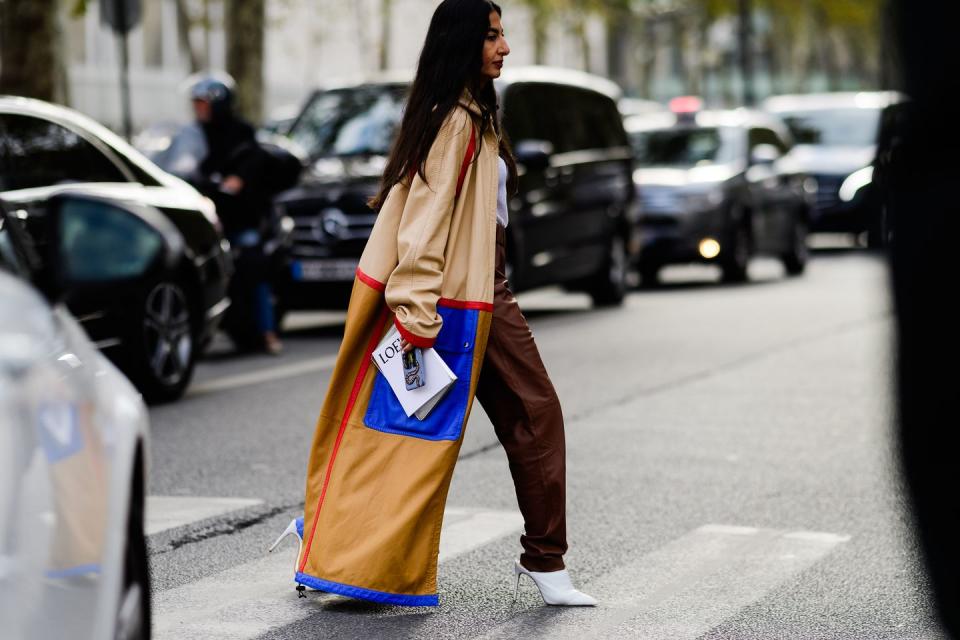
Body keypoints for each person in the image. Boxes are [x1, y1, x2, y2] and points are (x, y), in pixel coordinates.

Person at [269, 0, 595, 607]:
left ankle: (325, 533)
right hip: (463, 299)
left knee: (401, 434)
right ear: (462, 44)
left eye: (504, 35)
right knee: (533, 416)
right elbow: (424, 222)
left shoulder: (471, 115)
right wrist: (417, 313)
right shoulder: (457, 123)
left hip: (468, 291)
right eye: (492, 36)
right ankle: (546, 563)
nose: (504, 47)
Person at [187, 73, 283, 355]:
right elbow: (185, 164)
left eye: (203, 103)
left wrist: (231, 181)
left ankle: (267, 333)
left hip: (239, 218)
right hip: (208, 216)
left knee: (255, 268)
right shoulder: (196, 135)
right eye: (196, 104)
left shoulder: (241, 133)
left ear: (219, 104)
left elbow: (244, 173)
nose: (198, 109)